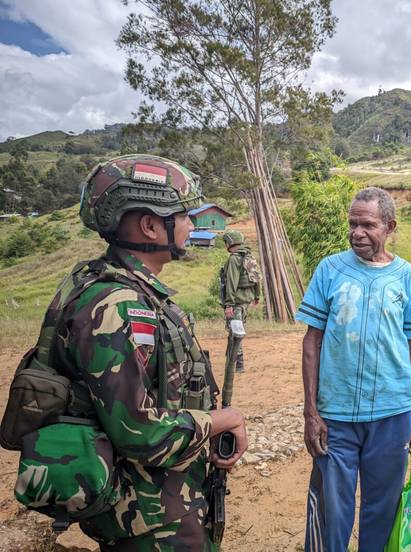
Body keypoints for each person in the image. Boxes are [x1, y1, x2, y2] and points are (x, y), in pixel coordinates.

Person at [45, 155, 247, 550]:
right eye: (184, 215)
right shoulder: (117, 306)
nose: (192, 225)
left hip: (159, 507)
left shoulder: (129, 291)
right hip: (149, 520)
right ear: (151, 226)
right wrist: (226, 418)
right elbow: (142, 434)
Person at [297, 187, 411, 552]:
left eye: (367, 225)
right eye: (353, 224)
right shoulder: (330, 270)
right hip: (335, 416)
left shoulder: (406, 277)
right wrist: (311, 412)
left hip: (393, 414)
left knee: (383, 509)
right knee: (332, 512)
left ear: (390, 226)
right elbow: (312, 341)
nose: (357, 232)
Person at [220, 230, 261, 375]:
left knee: (235, 332)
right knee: (236, 329)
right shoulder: (249, 257)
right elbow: (257, 279)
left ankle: (238, 365)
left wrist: (229, 304)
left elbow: (231, 282)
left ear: (229, 243)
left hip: (236, 302)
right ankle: (230, 359)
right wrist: (257, 296)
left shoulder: (234, 259)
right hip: (245, 302)